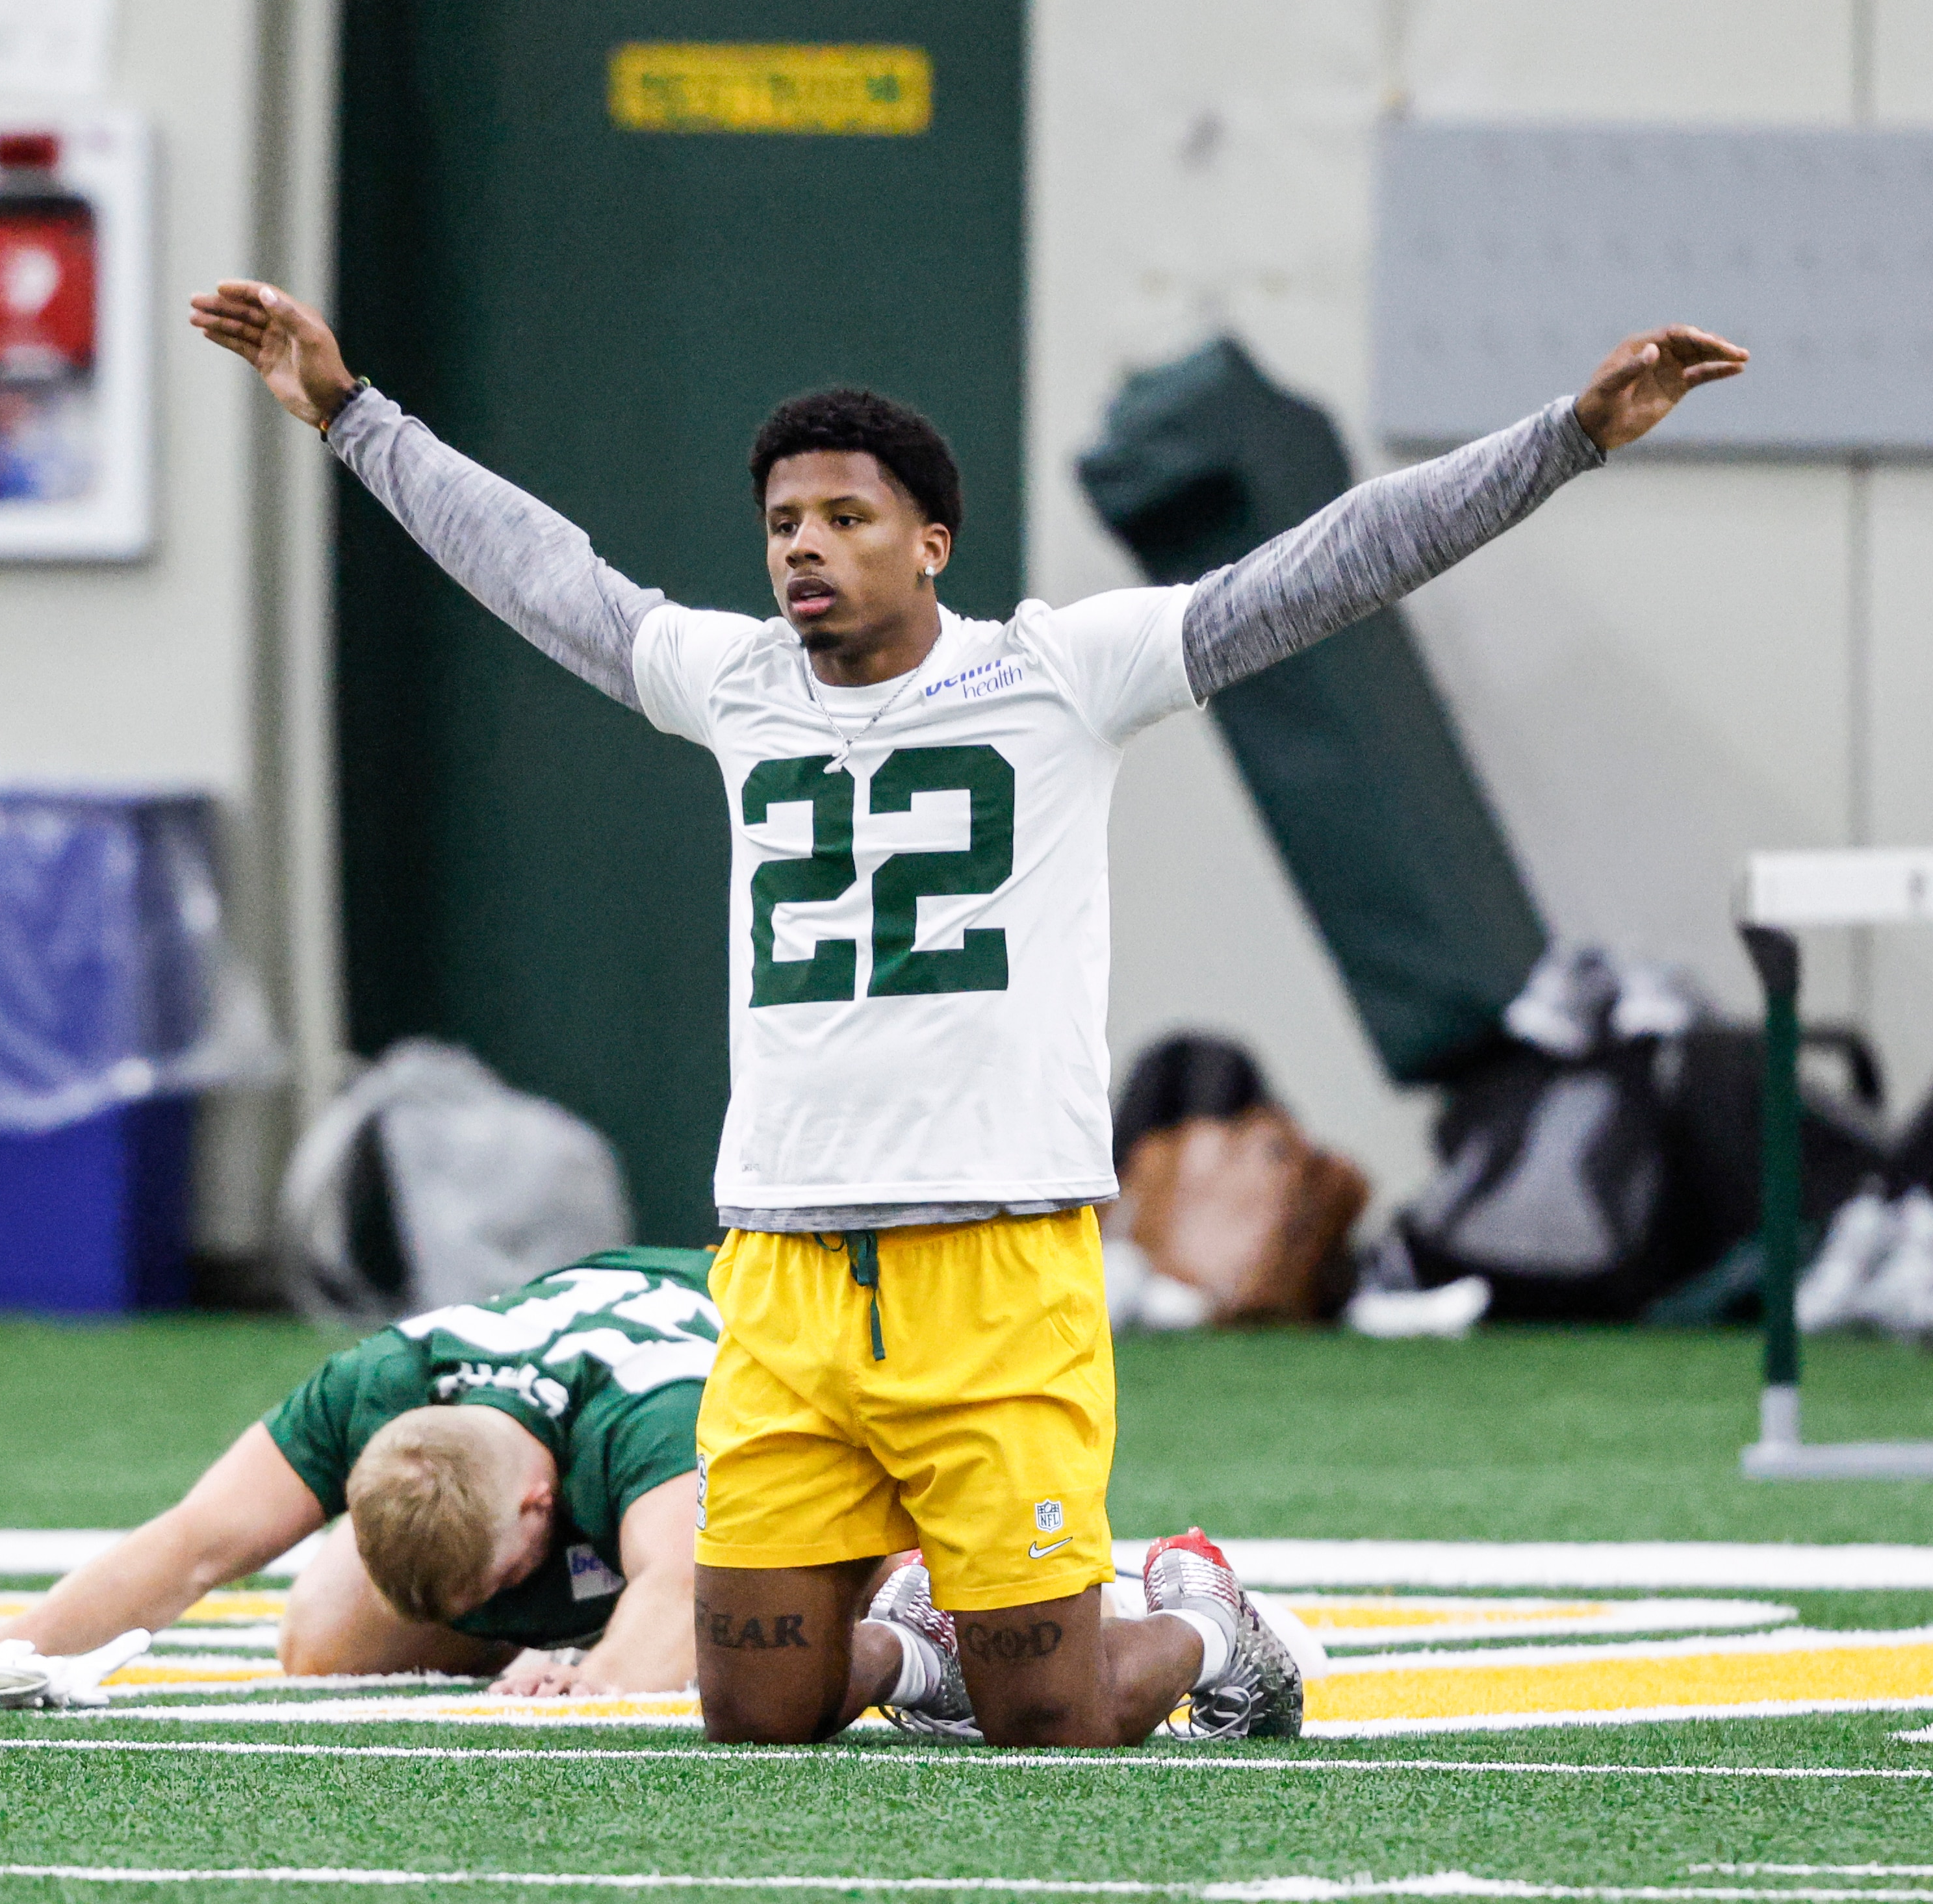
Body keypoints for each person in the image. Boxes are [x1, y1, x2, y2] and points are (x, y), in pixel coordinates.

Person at [192, 277, 1741, 1748]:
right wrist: (350, 414)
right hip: (786, 1270)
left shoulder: (1060, 670)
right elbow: (545, 574)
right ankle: (924, 1645)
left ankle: (1210, 1625)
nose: (803, 547)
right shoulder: (736, 681)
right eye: (783, 522)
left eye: (845, 518)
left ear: (932, 540)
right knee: (754, 1708)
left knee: (1048, 1718)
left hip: (991, 1265)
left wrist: (1567, 434)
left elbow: (1326, 563)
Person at [0, 1249, 717, 1705]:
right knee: (330, 1645)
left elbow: (687, 1586)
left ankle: (584, 1616)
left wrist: (588, 1675)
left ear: (539, 1505)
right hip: (566, 1450)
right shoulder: (376, 1384)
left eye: (503, 1578)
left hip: (731, 1345)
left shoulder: (650, 1420)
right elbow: (192, 1544)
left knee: (737, 1602)